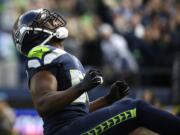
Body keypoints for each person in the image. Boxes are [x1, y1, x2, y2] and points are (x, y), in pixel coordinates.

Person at [12, 9, 180, 135]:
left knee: (124, 104)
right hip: (65, 131)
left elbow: (75, 111)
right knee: (137, 108)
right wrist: (82, 87)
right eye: (45, 22)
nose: (53, 21)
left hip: (72, 127)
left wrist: (108, 100)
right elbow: (43, 103)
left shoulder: (58, 55)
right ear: (32, 34)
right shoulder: (40, 53)